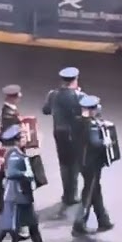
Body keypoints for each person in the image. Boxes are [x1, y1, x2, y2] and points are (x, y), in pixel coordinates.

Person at [0, 126, 60, 242]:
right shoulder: (13, 154)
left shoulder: (18, 152)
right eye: (24, 137)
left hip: (23, 196)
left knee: (33, 226)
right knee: (5, 226)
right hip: (15, 197)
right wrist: (27, 175)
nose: (26, 139)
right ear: (17, 140)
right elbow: (11, 173)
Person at [73, 95, 113, 235]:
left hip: (82, 161)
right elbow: (95, 143)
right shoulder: (91, 126)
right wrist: (105, 142)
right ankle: (79, 223)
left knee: (95, 189)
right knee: (89, 192)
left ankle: (103, 220)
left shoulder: (78, 121)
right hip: (92, 163)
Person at [42, 67, 83, 206]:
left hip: (58, 133)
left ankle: (66, 193)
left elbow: (46, 110)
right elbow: (83, 112)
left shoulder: (53, 94)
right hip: (73, 134)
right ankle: (72, 194)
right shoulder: (78, 96)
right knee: (74, 165)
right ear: (75, 80)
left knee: (64, 164)